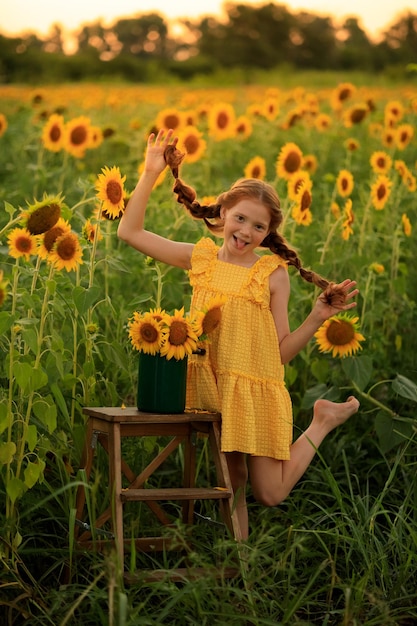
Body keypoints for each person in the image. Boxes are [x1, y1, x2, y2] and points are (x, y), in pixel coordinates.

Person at [118, 128, 360, 540]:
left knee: (270, 492)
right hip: (213, 386)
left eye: (259, 227)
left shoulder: (271, 274)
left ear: (268, 235)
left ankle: (321, 421)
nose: (246, 231)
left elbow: (279, 353)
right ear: (224, 211)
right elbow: (131, 233)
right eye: (241, 218)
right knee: (233, 483)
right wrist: (150, 172)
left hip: (256, 390)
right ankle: (240, 569)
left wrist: (317, 316)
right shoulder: (202, 259)